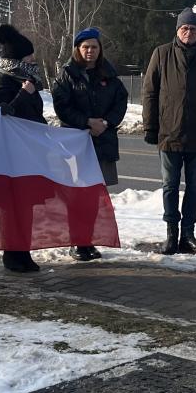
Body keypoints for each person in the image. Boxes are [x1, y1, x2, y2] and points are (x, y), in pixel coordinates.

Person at [142, 8, 196, 255]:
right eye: (184, 28)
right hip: (169, 132)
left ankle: (188, 235)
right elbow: (149, 92)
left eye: (192, 28)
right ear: (177, 30)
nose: (188, 32)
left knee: (195, 187)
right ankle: (171, 234)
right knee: (170, 186)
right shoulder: (161, 54)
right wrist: (150, 125)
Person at [52, 27, 128, 262]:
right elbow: (61, 106)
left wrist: (106, 122)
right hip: (76, 143)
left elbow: (120, 102)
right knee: (76, 195)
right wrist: (86, 122)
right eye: (86, 47)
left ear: (99, 49)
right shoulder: (67, 75)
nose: (90, 51)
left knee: (95, 195)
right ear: (78, 49)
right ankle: (77, 242)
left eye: (94, 47)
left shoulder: (109, 74)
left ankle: (89, 240)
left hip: (102, 141)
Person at [0, 24, 46, 273]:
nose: (33, 61)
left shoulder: (27, 81)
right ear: (17, 60)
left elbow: (34, 115)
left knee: (27, 206)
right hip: (10, 156)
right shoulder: (2, 82)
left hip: (28, 154)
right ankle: (11, 253)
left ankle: (23, 250)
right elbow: (1, 114)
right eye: (28, 57)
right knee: (11, 207)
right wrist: (24, 94)